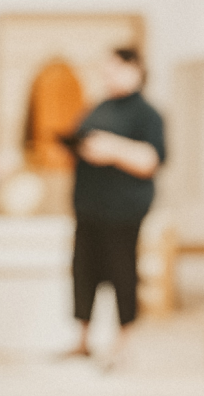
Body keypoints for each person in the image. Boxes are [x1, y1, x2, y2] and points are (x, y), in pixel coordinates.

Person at [67, 48, 166, 361]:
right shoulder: (98, 107)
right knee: (83, 273)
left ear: (134, 69)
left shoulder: (148, 114)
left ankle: (124, 340)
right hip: (89, 207)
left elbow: (151, 159)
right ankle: (83, 339)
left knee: (122, 274)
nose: (107, 76)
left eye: (114, 69)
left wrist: (112, 149)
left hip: (123, 211)